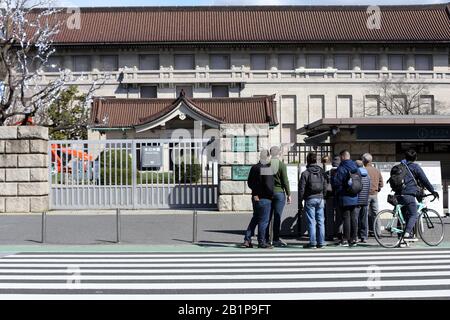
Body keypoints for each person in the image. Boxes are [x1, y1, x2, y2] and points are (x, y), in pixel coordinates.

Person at [394, 149, 439, 242]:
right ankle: (407, 234)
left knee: (403, 215)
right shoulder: (415, 167)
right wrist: (433, 191)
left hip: (397, 194)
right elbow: (424, 180)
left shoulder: (399, 166)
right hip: (408, 194)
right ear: (415, 158)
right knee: (413, 214)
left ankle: (401, 237)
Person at [242, 149, 274, 249]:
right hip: (265, 198)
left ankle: (247, 239)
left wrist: (255, 192)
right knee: (263, 221)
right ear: (268, 157)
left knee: (255, 218)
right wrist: (271, 195)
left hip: (255, 197)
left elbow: (249, 182)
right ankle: (262, 241)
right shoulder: (267, 169)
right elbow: (269, 186)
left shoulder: (254, 167)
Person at [298, 152, 327, 249]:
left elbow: (301, 188)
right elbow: (325, 185)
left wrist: (300, 201)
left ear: (308, 161)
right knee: (321, 221)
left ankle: (313, 242)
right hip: (320, 198)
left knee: (311, 221)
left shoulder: (305, 173)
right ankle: (321, 242)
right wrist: (323, 196)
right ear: (316, 160)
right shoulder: (321, 171)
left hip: (310, 199)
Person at [332, 150, 360, 247]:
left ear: (343, 157)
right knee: (353, 218)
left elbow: (336, 182)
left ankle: (345, 239)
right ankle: (354, 238)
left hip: (344, 196)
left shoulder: (342, 167)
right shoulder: (356, 167)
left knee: (346, 218)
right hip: (354, 195)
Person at [266, 146, 291, 247]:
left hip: (268, 193)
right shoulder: (282, 165)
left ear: (271, 153)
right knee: (277, 216)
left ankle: (266, 238)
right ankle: (275, 239)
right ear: (279, 153)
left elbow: (264, 180)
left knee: (267, 217)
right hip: (279, 192)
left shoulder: (266, 165)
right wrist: (289, 194)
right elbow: (285, 180)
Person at [362, 153, 383, 237]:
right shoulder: (376, 170)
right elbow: (381, 183)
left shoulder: (363, 170)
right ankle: (378, 233)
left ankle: (365, 233)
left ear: (364, 161)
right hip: (375, 194)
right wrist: (377, 189)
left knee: (365, 214)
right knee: (376, 213)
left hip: (365, 195)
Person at [324, 155, 340, 242]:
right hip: (338, 196)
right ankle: (338, 233)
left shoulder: (327, 173)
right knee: (339, 216)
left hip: (329, 196)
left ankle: (329, 234)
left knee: (329, 216)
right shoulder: (341, 172)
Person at [355, 160, 371, 243]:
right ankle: (364, 236)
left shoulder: (356, 175)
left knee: (356, 219)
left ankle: (356, 236)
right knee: (364, 219)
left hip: (357, 200)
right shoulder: (367, 175)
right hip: (365, 200)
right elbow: (369, 187)